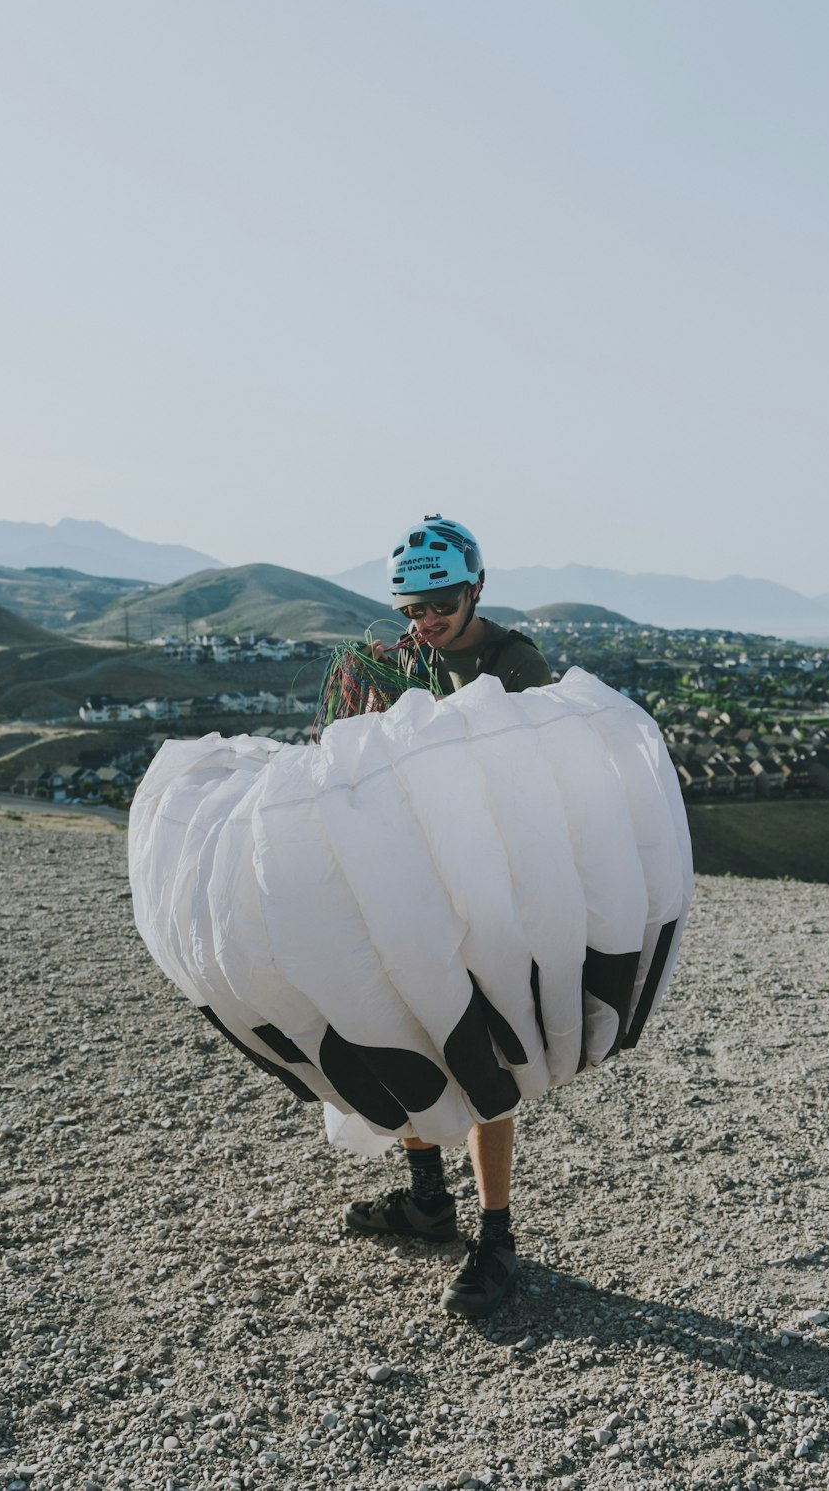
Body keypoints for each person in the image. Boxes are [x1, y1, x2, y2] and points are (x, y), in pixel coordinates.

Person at [343, 515, 553, 1319]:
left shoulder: (515, 663)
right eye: (409, 607)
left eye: (438, 601)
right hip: (412, 873)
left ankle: (495, 1234)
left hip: (491, 883)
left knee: (482, 1052)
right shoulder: (409, 657)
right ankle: (429, 1200)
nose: (424, 618)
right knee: (401, 1026)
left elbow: (535, 780)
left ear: (475, 588)